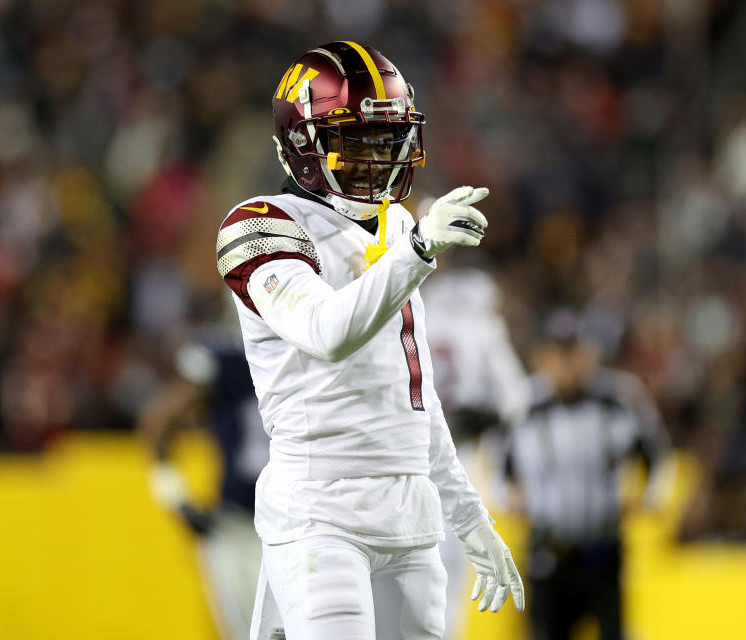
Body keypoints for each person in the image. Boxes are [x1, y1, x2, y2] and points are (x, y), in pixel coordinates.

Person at [215, 42, 524, 640]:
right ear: (302, 142)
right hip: (320, 508)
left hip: (410, 513)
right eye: (356, 143)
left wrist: (470, 516)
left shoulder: (399, 225)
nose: (378, 161)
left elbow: (417, 399)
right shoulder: (258, 225)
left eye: (387, 142)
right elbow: (325, 332)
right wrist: (417, 252)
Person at [506, 308, 673, 640]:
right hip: (548, 552)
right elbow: (498, 467)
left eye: (574, 350)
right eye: (559, 351)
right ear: (541, 356)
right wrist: (509, 497)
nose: (567, 362)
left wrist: (652, 496)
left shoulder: (619, 398)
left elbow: (657, 455)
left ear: (590, 352)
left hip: (603, 550)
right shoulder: (522, 404)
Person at [419, 266, 530, 638]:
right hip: (456, 459)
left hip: (405, 459)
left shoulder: (414, 311)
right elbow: (517, 398)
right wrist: (490, 417)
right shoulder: (481, 327)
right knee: (448, 570)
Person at [139, 326, 269, 640]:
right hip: (241, 528)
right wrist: (175, 497)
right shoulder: (228, 356)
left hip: (307, 520)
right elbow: (158, 422)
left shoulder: (321, 336)